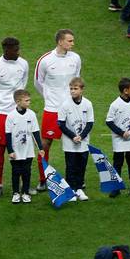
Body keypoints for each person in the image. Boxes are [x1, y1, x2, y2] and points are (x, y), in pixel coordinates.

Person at [34, 29, 82, 190]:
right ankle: (43, 179)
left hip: (70, 109)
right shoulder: (45, 60)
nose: (73, 44)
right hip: (52, 110)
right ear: (60, 42)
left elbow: (76, 79)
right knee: (45, 144)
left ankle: (75, 179)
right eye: (70, 41)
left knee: (75, 143)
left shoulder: (75, 58)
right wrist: (49, 98)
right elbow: (38, 82)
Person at [0, 37, 27, 197]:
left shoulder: (23, 64)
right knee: (0, 149)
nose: (18, 52)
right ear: (6, 50)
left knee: (21, 148)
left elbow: (23, 82)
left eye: (18, 48)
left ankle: (22, 182)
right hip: (1, 114)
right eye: (15, 49)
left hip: (18, 113)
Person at [105, 77, 130, 198]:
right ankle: (116, 189)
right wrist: (122, 133)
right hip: (119, 141)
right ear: (125, 91)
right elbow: (109, 121)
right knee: (118, 163)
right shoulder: (115, 105)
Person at [58, 77, 94, 200]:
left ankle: (79, 189)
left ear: (82, 90)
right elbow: (61, 124)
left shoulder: (88, 104)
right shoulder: (65, 105)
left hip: (83, 142)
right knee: (71, 166)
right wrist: (73, 136)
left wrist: (82, 136)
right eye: (71, 89)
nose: (72, 91)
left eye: (75, 89)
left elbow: (90, 123)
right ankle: (71, 190)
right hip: (69, 143)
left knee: (81, 165)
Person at [6, 89, 44, 203]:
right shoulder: (11, 116)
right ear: (18, 102)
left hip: (28, 151)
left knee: (27, 172)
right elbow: (7, 135)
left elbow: (36, 132)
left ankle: (26, 193)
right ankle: (16, 193)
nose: (29, 102)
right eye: (26, 101)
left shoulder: (31, 114)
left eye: (29, 100)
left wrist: (40, 148)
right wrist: (10, 150)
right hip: (15, 151)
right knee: (16, 172)